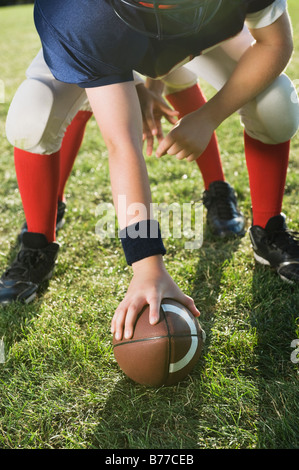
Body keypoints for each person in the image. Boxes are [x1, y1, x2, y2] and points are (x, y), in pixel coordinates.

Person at [1, 0, 299, 341]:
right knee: (32, 114)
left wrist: (208, 116)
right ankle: (38, 240)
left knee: (275, 103)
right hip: (111, 28)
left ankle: (268, 229)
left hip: (200, 28)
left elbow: (275, 43)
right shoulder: (81, 14)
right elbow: (122, 143)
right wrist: (147, 265)